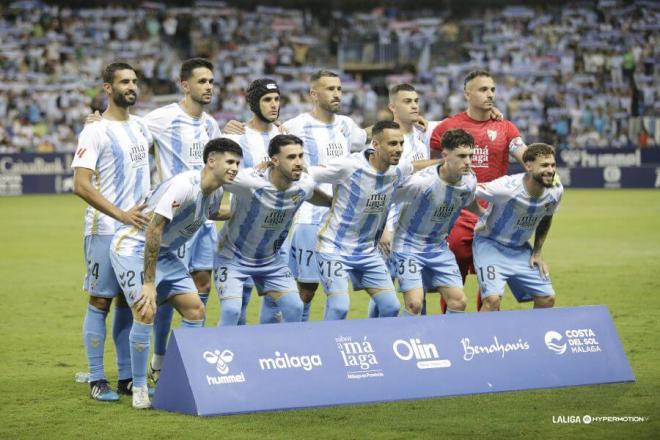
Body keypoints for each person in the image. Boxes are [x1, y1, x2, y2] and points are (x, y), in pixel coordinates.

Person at [109, 138, 242, 408]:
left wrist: (254, 204)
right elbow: (154, 229)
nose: (235, 168)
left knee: (196, 311)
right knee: (146, 311)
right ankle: (139, 388)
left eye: (238, 163)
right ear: (212, 161)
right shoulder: (184, 186)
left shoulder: (215, 191)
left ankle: (175, 377)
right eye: (230, 162)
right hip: (133, 247)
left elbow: (215, 212)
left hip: (166, 254)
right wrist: (149, 283)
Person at [72, 62, 151, 401]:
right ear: (108, 88)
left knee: (127, 302)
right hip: (105, 228)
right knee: (101, 300)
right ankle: (96, 378)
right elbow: (80, 184)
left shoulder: (142, 128)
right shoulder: (95, 130)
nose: (131, 86)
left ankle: (127, 377)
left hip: (136, 232)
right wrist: (121, 214)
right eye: (123, 82)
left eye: (134, 81)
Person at [142, 58, 222, 383]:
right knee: (165, 294)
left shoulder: (211, 125)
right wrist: (98, 121)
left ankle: (191, 360)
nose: (209, 88)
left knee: (202, 284)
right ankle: (159, 361)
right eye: (202, 81)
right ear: (185, 85)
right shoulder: (160, 118)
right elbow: (131, 136)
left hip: (202, 220)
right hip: (173, 218)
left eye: (212, 82)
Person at [308, 121, 436, 320]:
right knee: (339, 307)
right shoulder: (349, 165)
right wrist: (326, 201)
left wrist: (445, 161)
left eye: (401, 144)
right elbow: (306, 175)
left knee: (391, 307)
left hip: (367, 251)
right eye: (393, 144)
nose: (399, 149)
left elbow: (414, 166)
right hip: (334, 248)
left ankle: (377, 347)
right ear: (375, 145)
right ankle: (327, 348)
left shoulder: (396, 169)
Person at [429, 70, 528, 312]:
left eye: (492, 89)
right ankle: (450, 326)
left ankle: (484, 335)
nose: (490, 94)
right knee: (454, 276)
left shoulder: (505, 128)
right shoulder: (448, 126)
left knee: (491, 282)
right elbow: (432, 164)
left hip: (495, 215)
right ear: (467, 94)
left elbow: (524, 154)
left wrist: (541, 165)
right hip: (457, 213)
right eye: (483, 89)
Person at [214, 134, 332, 324]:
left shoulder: (305, 183)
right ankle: (218, 352)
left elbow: (311, 193)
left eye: (301, 156)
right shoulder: (248, 181)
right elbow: (212, 178)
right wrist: (208, 209)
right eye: (291, 157)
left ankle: (283, 352)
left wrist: (333, 203)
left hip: (270, 261)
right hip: (232, 257)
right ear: (274, 160)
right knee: (232, 311)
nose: (299, 162)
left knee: (295, 307)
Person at [282, 70, 368, 321]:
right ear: (313, 93)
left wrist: (407, 122)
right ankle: (297, 342)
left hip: (342, 219)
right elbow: (271, 144)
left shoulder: (346, 125)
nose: (337, 94)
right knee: (307, 290)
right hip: (310, 216)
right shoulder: (297, 125)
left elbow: (371, 136)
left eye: (339, 89)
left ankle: (329, 345)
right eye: (330, 89)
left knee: (339, 292)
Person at [390, 129, 483, 316]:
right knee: (415, 304)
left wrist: (486, 216)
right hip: (407, 246)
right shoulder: (421, 183)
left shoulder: (469, 180)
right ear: (445, 155)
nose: (468, 162)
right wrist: (383, 230)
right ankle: (405, 341)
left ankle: (446, 342)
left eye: (470, 156)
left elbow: (469, 202)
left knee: (458, 301)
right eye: (462, 156)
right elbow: (386, 199)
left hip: (438, 247)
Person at [219, 78, 286, 326]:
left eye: (277, 99)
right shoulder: (237, 138)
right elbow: (226, 179)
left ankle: (271, 357)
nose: (274, 105)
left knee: (276, 303)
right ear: (253, 103)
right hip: (243, 236)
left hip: (278, 234)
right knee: (239, 306)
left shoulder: (285, 135)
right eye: (267, 99)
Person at [473, 143, 563, 312]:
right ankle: (481, 338)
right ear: (528, 166)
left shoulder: (556, 191)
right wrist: (480, 213)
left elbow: (546, 217)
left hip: (521, 249)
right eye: (544, 165)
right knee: (492, 301)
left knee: (547, 298)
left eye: (553, 165)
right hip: (490, 245)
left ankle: (534, 337)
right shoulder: (506, 188)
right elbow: (468, 189)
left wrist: (537, 252)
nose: (550, 170)